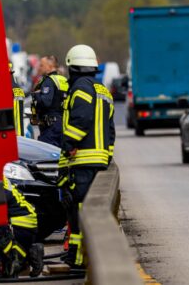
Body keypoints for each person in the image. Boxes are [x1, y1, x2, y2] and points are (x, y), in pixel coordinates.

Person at [59, 45, 115, 269]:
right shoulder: (103, 90)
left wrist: (68, 144)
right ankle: (75, 254)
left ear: (72, 67)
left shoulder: (80, 87)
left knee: (80, 210)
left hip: (83, 160)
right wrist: (107, 156)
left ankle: (81, 260)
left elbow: (81, 118)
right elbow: (110, 131)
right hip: (99, 160)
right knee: (81, 210)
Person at [32, 55, 68, 147]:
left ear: (50, 66)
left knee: (45, 155)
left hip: (50, 129)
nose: (39, 68)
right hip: (63, 126)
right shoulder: (64, 80)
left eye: (42, 65)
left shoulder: (49, 81)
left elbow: (45, 102)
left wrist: (37, 94)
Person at [0, 57, 26, 136]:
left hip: (9, 135)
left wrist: (18, 138)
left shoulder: (14, 89)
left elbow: (18, 118)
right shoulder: (3, 87)